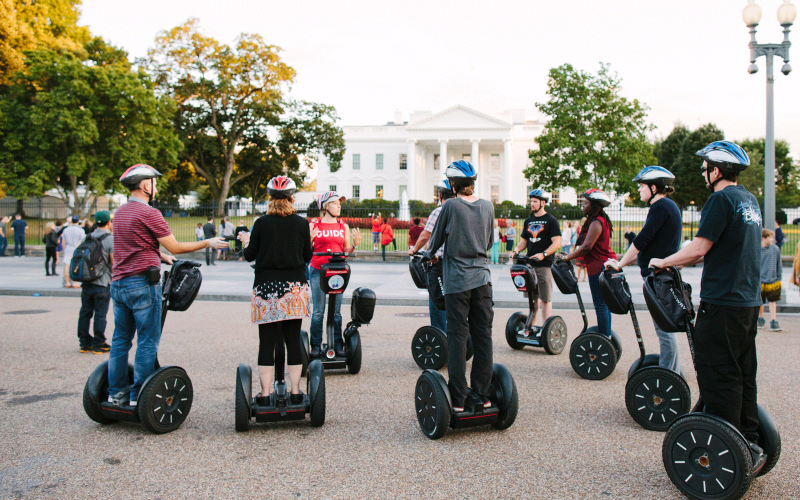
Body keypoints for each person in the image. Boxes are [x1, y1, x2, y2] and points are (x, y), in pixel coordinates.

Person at [648, 141, 766, 469]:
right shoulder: (749, 200)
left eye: (705, 168)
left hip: (722, 301)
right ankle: (751, 440)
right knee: (743, 372)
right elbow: (721, 248)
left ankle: (727, 449)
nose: (703, 173)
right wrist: (679, 261)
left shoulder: (720, 199)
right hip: (747, 302)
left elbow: (699, 248)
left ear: (715, 170)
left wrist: (662, 261)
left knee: (717, 374)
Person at [107, 164, 228, 406]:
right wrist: (208, 242)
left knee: (120, 340)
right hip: (142, 284)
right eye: (154, 182)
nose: (156, 186)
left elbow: (131, 245)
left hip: (119, 284)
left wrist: (160, 256)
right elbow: (175, 246)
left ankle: (115, 392)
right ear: (144, 185)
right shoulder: (150, 213)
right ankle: (138, 397)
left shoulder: (119, 212)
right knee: (147, 340)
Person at [425, 160, 495, 413]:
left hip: (457, 281)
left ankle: (457, 399)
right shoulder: (487, 206)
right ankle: (483, 395)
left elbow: (433, 243)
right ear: (473, 182)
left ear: (453, 184)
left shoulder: (451, 206)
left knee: (457, 337)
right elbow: (489, 242)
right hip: (483, 280)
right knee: (483, 336)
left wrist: (427, 254)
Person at [238, 176, 311, 404]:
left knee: (266, 343)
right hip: (294, 289)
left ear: (270, 198)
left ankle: (266, 394)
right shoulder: (302, 224)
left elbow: (249, 255)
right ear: (291, 198)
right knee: (292, 340)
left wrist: (246, 241)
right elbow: (307, 256)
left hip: (266, 288)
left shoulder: (261, 224)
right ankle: (297, 392)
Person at [604, 166, 683, 374]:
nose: (639, 190)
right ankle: (672, 370)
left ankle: (669, 374)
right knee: (664, 328)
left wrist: (619, 264)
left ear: (654, 187)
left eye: (642, 186)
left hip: (659, 276)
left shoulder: (661, 206)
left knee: (664, 330)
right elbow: (646, 246)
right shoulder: (667, 206)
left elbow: (641, 241)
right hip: (660, 275)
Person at [308, 191, 362, 358]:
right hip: (318, 270)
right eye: (335, 203)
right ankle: (315, 345)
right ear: (325, 206)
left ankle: (338, 344)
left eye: (340, 203)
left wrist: (354, 245)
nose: (339, 206)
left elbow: (345, 251)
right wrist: (309, 239)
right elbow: (306, 251)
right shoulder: (313, 225)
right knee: (318, 311)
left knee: (336, 312)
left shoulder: (342, 226)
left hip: (338, 272)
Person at [559, 189, 616, 335]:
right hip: (602, 265)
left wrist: (567, 258)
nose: (583, 206)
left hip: (598, 267)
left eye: (586, 203)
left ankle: (604, 337)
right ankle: (606, 336)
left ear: (595, 205)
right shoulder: (599, 220)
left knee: (601, 306)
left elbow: (586, 247)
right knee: (604, 305)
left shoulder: (597, 222)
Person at [510, 189, 561, 327]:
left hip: (544, 265)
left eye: (535, 201)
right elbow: (524, 241)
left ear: (543, 203)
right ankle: (532, 325)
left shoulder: (551, 221)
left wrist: (543, 254)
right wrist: (516, 250)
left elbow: (557, 242)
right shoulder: (528, 221)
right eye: (531, 201)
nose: (531, 204)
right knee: (533, 299)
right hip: (530, 266)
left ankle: (546, 327)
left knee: (545, 298)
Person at [408, 179, 454, 333]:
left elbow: (425, 236)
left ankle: (441, 337)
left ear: (440, 195)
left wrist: (414, 250)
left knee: (437, 302)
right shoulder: (462, 211)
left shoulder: (439, 211)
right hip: (458, 265)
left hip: (440, 265)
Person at [77, 211, 114, 354]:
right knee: (100, 314)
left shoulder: (87, 237)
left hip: (87, 281)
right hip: (102, 282)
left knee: (85, 312)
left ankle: (84, 343)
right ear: (108, 223)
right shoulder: (110, 239)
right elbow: (113, 263)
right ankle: (99, 343)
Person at [758, 229, 782, 331]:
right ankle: (760, 318)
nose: (772, 239)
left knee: (772, 302)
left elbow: (779, 264)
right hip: (760, 280)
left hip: (772, 280)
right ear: (763, 238)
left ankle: (773, 320)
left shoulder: (775, 249)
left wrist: (779, 278)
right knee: (760, 302)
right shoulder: (757, 249)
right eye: (770, 237)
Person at [61, 216, 86, 288]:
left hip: (68, 248)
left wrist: (64, 249)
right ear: (78, 221)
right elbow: (82, 241)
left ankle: (67, 282)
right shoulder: (81, 230)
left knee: (67, 266)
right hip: (77, 249)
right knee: (76, 266)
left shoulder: (66, 230)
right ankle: (75, 282)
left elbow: (63, 241)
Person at [574, 217, 587, 281]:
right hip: (585, 246)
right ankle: (584, 277)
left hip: (580, 246)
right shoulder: (588, 227)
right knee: (584, 265)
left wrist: (575, 245)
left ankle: (578, 277)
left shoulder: (579, 228)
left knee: (579, 264)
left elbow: (577, 237)